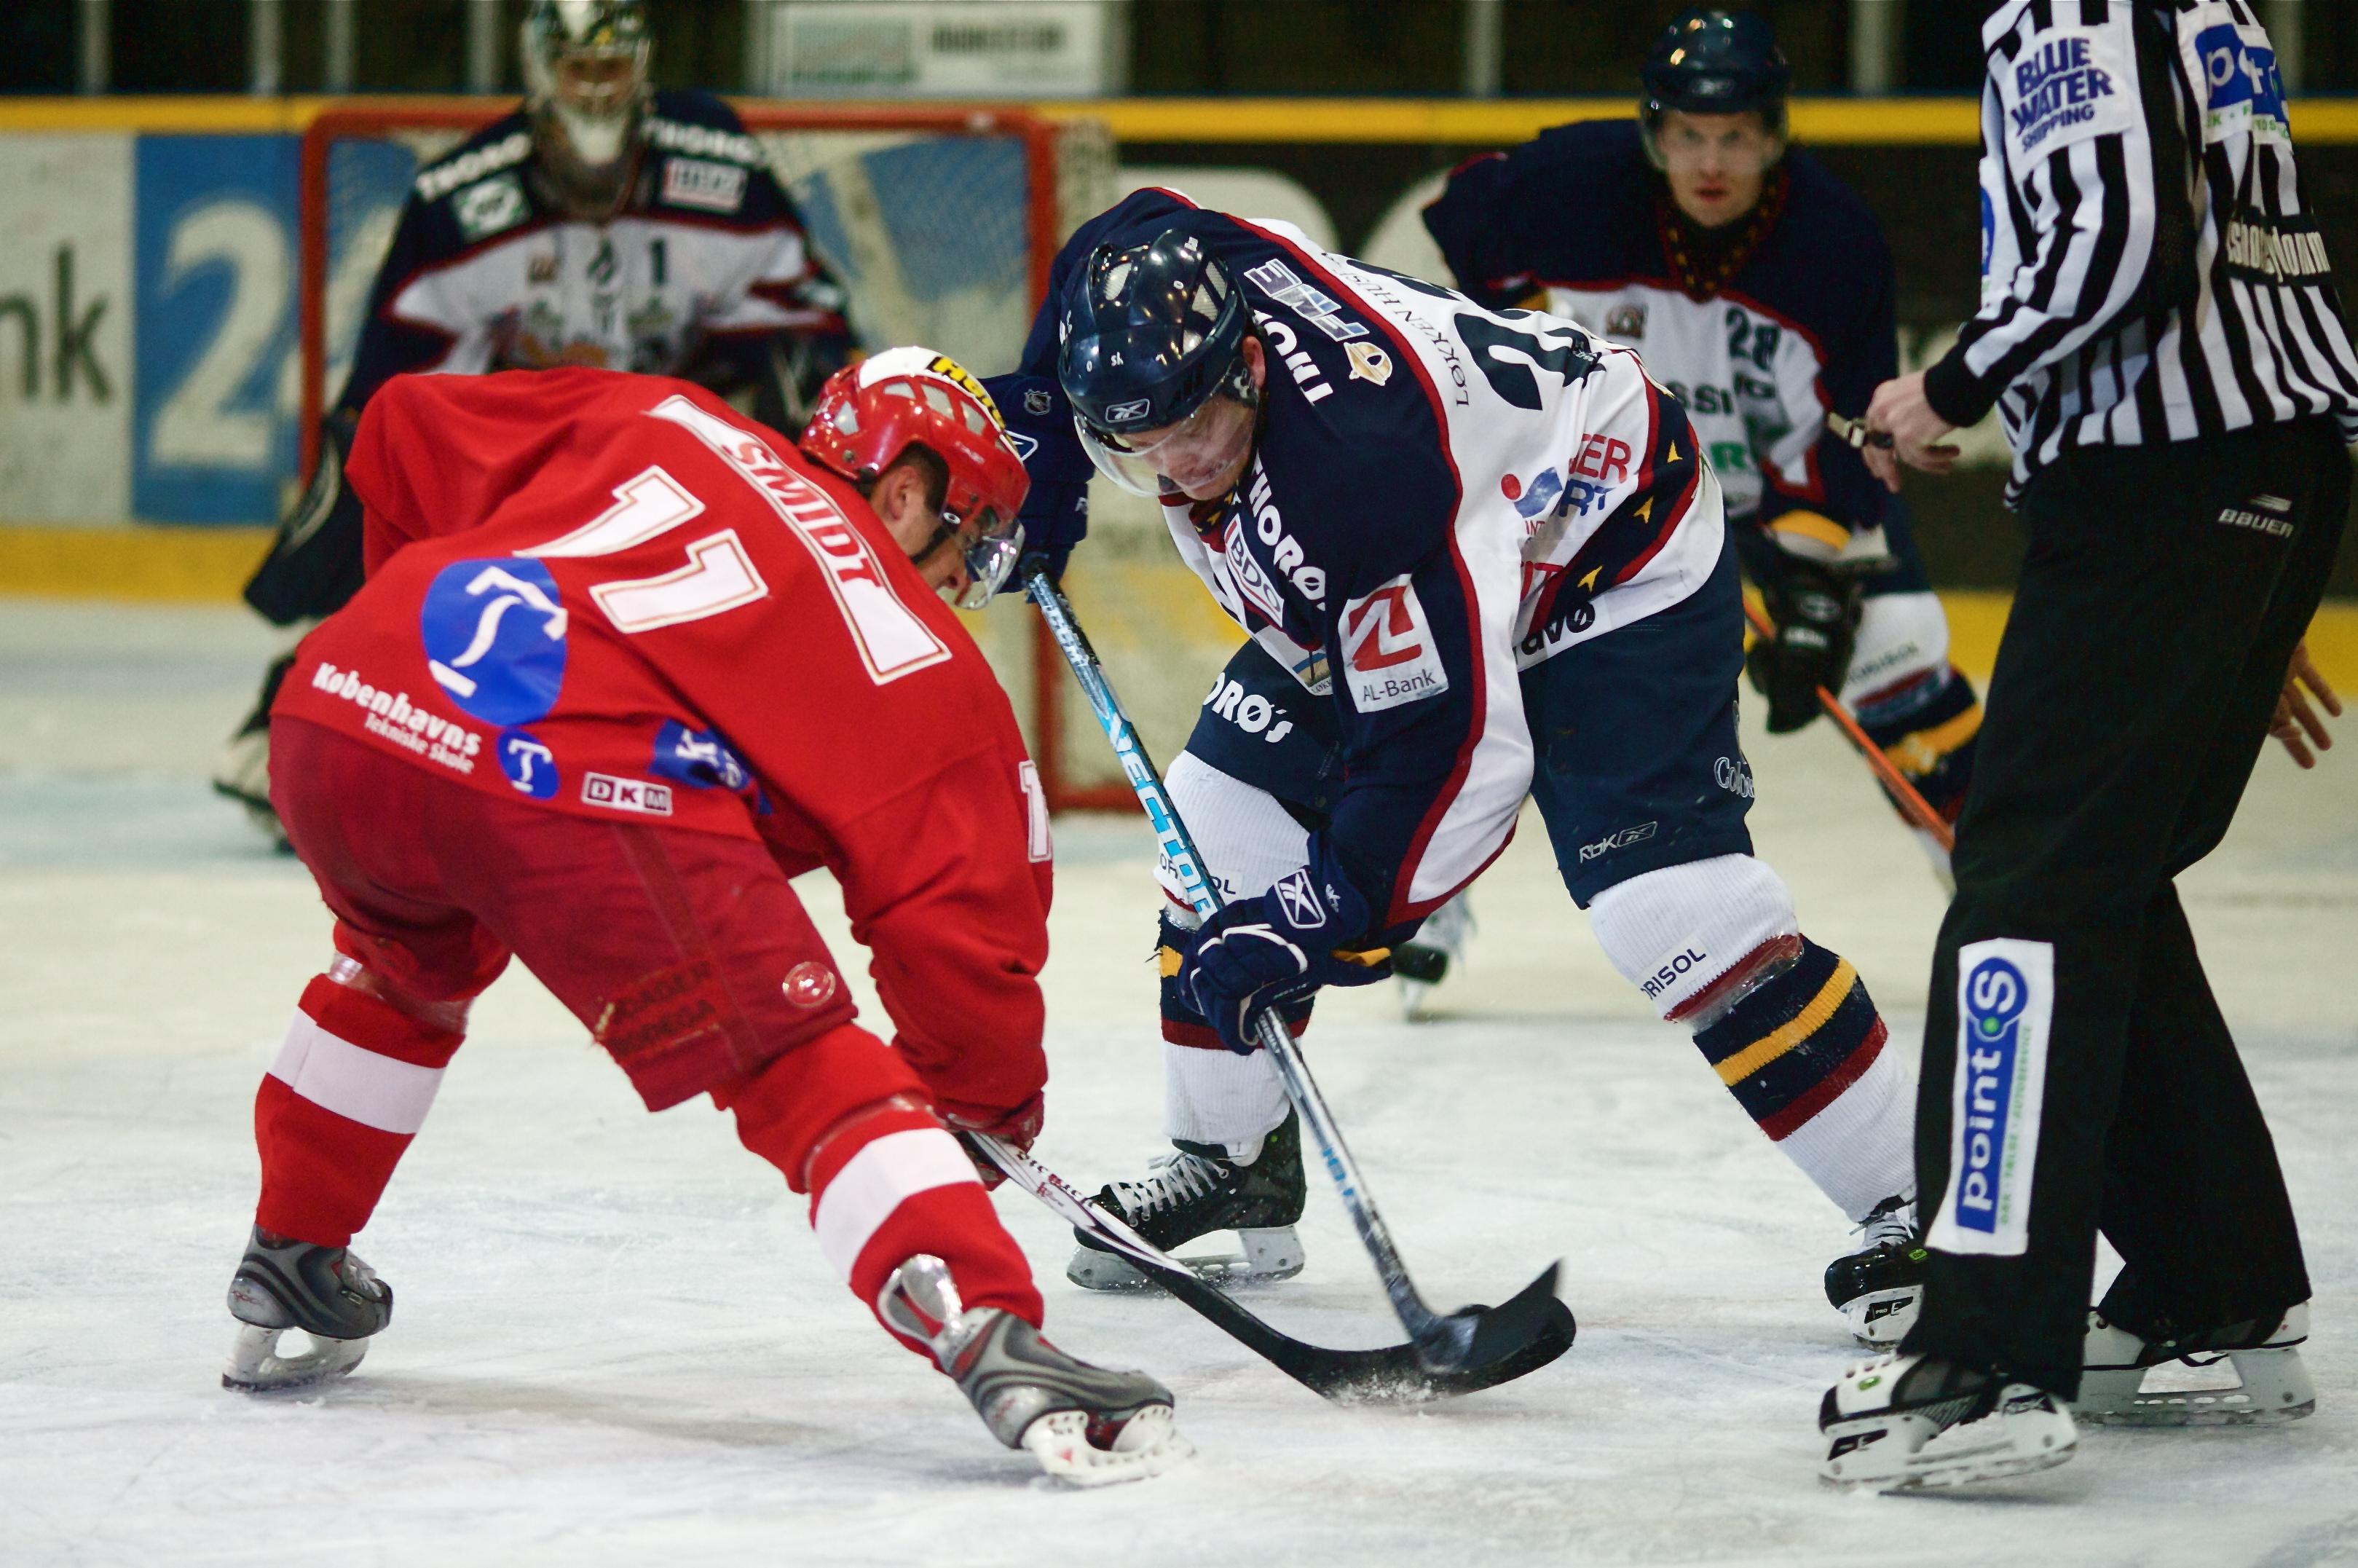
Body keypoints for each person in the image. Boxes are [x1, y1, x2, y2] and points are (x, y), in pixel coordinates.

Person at [216, 351, 1190, 1487]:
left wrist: (415, 655)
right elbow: (963, 935)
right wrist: (977, 1113)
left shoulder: (654, 409)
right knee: (794, 1051)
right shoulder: (919, 653)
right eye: (969, 540)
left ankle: (292, 1250)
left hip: (344, 696)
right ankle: (993, 1332)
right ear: (907, 493)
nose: (962, 582)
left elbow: (400, 425)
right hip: (569, 768)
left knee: (401, 965)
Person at [999, 187, 1926, 1344]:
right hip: (1448, 540)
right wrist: (1040, 438)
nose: (1178, 468)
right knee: (1216, 812)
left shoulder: (1355, 474)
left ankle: (1916, 1199)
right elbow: (1113, 228)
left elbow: (1457, 758)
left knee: (1666, 904)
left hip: (1602, 552)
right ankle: (1229, 1158)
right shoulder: (1181, 284)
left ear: (1246, 361)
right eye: (1134, 443)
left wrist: (1323, 917)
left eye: (1194, 424)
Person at [1818, 0, 2358, 1491]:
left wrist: (1946, 383)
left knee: (2022, 885)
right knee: (2093, 871)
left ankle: (1986, 1346)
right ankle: (2211, 1269)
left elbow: (2121, 233)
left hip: (2156, 489)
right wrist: (2239, 591)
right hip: (2252, 486)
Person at [215, 0, 853, 846]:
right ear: (538, 72)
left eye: (611, 67)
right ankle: (306, 703)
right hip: (534, 451)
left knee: (805, 476)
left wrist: (810, 460)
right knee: (407, 505)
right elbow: (395, 394)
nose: (594, 90)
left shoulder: (720, 164)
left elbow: (808, 334)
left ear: (643, 68)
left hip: (680, 446)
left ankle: (813, 713)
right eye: (576, 69)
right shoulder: (462, 195)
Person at [1424, 9, 1986, 887]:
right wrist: (1526, 342)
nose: (1711, 164)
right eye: (1688, 136)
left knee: (1898, 643)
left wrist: (1808, 580)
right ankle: (1424, 897)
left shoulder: (1838, 244)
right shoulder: (1577, 180)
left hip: (1770, 490)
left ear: (1775, 139)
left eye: (1736, 136)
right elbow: (1462, 216)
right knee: (1475, 641)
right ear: (1654, 132)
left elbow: (1851, 434)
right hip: (1622, 486)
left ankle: (1997, 879)